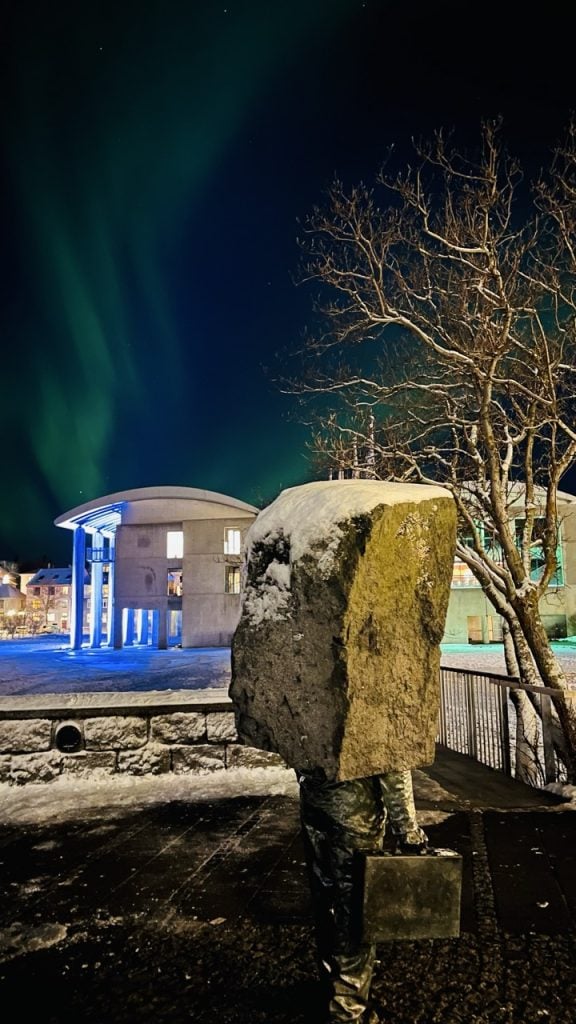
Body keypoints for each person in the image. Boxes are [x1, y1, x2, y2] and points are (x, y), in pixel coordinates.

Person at [298, 767, 429, 1024]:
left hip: (314, 802)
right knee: (355, 909)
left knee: (326, 900)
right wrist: (407, 829)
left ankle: (330, 985)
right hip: (355, 816)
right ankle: (347, 1008)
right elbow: (393, 763)